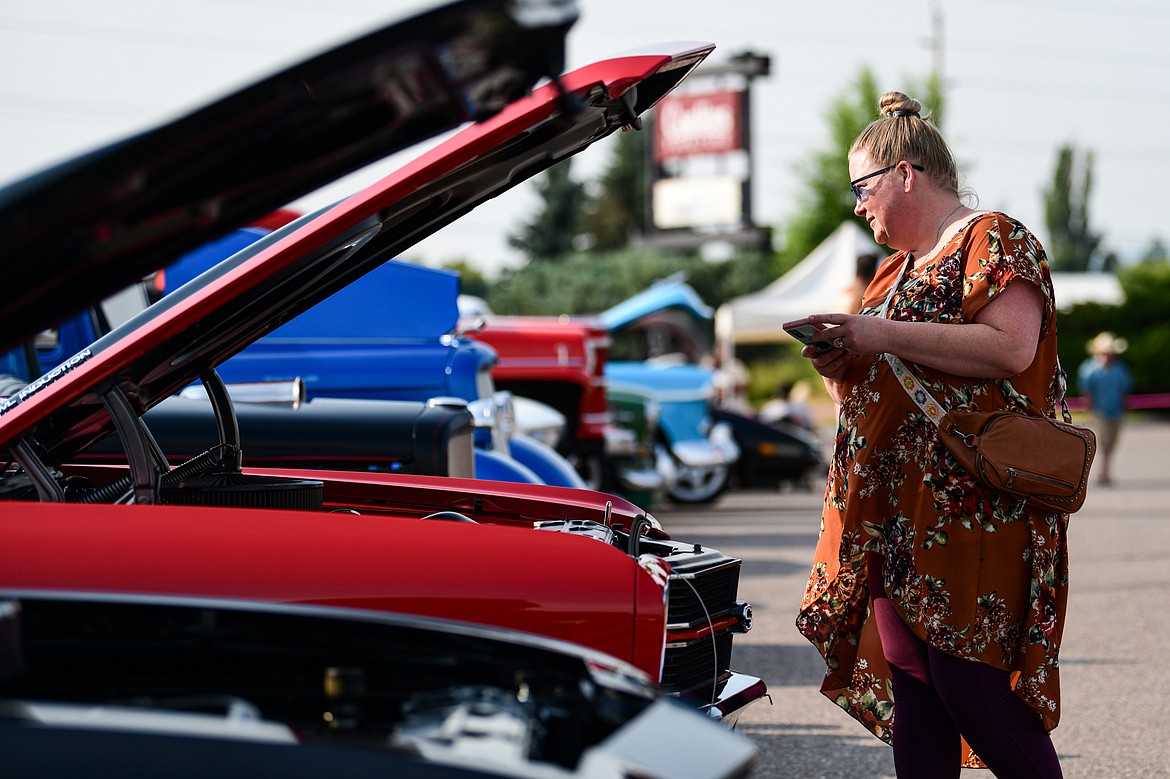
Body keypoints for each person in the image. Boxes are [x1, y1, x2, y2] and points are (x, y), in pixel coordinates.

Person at [790, 91, 1067, 778]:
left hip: (970, 511)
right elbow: (874, 392)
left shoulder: (993, 237)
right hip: (892, 516)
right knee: (917, 690)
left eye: (863, 188)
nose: (858, 206)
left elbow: (1011, 349)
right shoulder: (892, 270)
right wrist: (838, 368)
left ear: (906, 173)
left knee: (972, 690)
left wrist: (876, 333)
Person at [1077, 331, 1133, 486]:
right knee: (1102, 441)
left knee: (1112, 443)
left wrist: (1124, 406)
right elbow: (1086, 391)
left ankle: (1105, 469)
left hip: (1116, 410)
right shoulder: (1090, 368)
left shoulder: (1119, 368)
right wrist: (1088, 408)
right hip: (1099, 411)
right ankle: (1103, 471)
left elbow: (1125, 388)